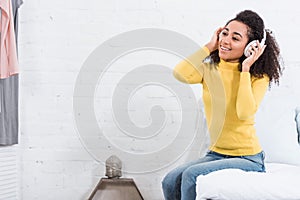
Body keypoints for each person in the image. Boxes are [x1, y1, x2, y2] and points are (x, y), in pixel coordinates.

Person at [162, 10, 282, 200]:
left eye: (235, 38)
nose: (226, 41)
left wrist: (245, 69)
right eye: (224, 33)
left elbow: (244, 112)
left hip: (248, 158)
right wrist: (209, 46)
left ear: (251, 46)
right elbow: (180, 73)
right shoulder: (210, 69)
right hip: (216, 154)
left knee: (191, 176)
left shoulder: (258, 77)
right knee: (169, 181)